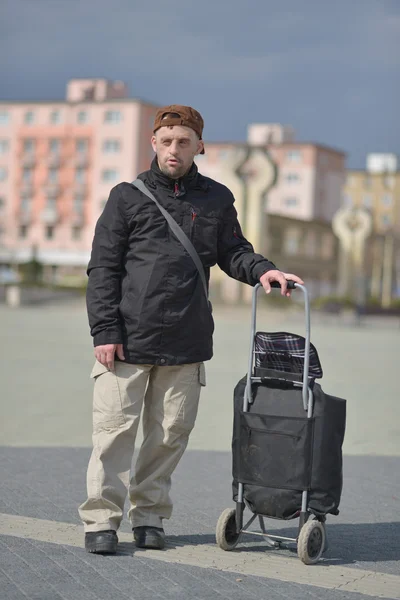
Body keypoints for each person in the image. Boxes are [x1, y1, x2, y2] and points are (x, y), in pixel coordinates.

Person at [79, 105, 304, 554]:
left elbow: (234, 251)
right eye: (165, 142)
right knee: (113, 435)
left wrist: (264, 271)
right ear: (153, 145)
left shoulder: (216, 198)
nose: (173, 150)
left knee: (168, 436)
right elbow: (103, 268)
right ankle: (101, 520)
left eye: (183, 142)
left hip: (187, 340)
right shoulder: (127, 196)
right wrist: (105, 331)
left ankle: (149, 518)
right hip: (127, 339)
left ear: (199, 146)